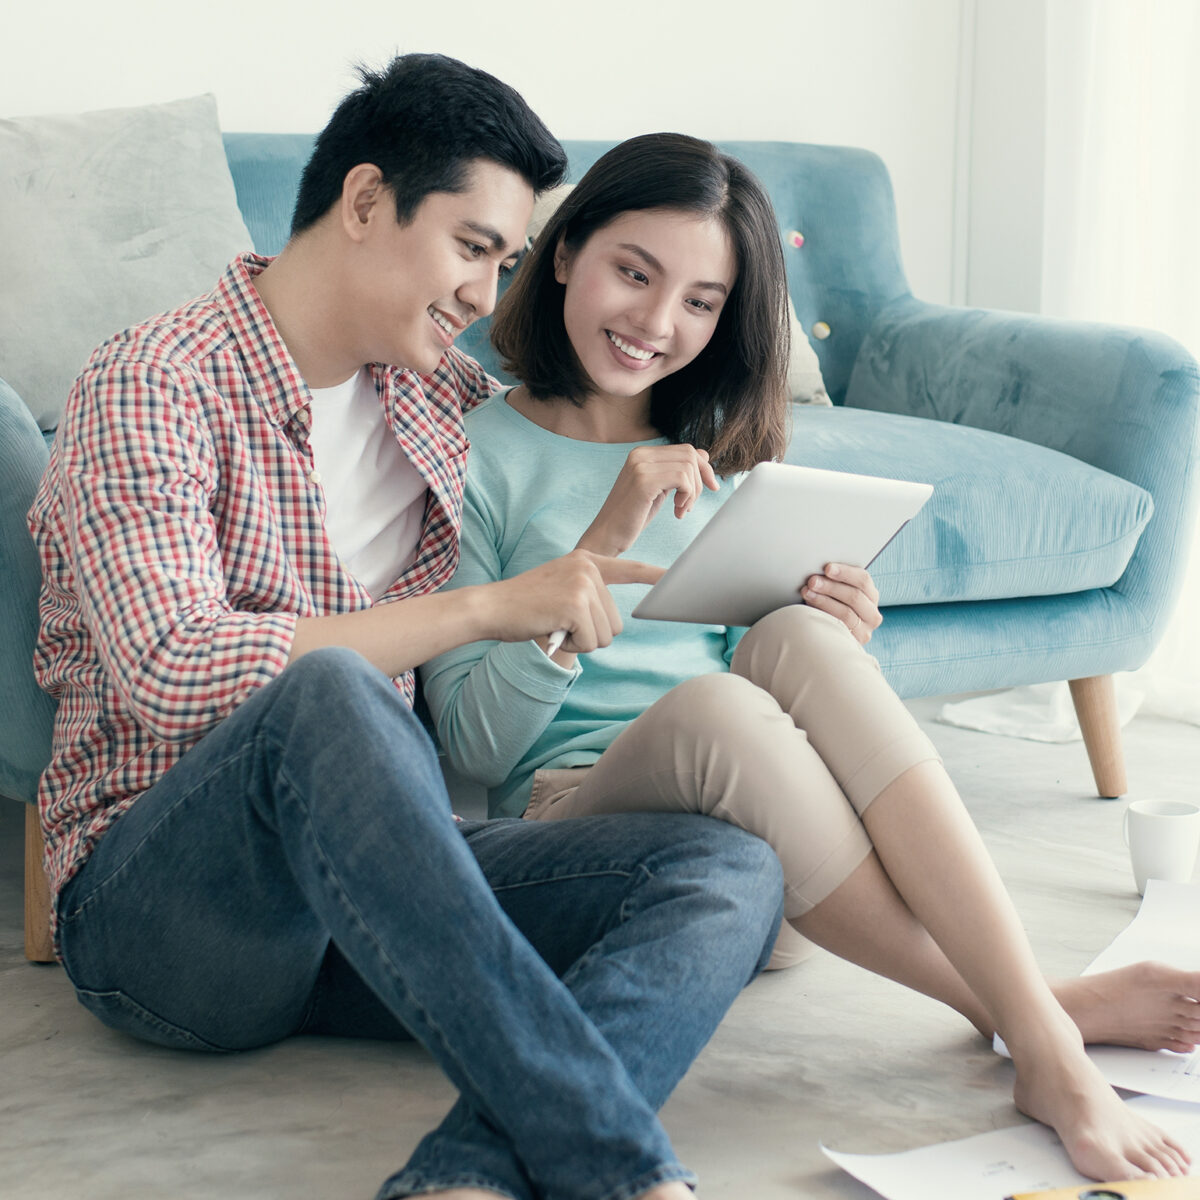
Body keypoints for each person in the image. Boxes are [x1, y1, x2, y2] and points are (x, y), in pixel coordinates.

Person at [27, 59, 789, 1200]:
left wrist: (787, 584)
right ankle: (618, 1168)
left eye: (508, 261)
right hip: (171, 917)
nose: (488, 296)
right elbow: (172, 668)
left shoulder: (443, 407)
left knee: (724, 869)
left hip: (380, 893)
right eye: (474, 247)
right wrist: (483, 606)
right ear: (368, 201)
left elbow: (581, 473)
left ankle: (468, 1176)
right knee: (328, 691)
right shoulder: (154, 381)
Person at [420, 132, 1199, 1184]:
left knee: (790, 640)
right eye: (633, 273)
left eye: (700, 301)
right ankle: (1043, 1027)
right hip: (583, 840)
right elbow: (467, 739)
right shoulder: (468, 455)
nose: (656, 323)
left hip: (777, 883)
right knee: (717, 712)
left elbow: (770, 684)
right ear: (564, 254)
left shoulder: (725, 469)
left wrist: (836, 636)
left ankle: (1037, 1024)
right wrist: (597, 550)